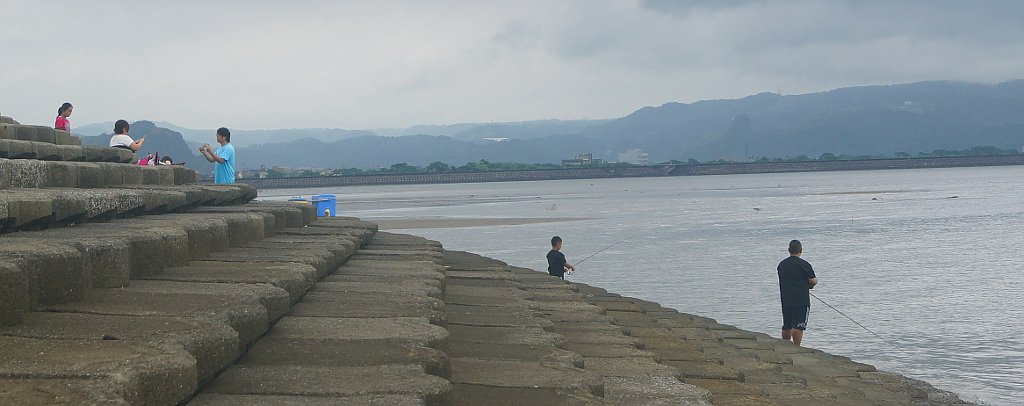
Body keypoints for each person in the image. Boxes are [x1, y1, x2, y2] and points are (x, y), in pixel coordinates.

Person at [777, 239, 818, 346]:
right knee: (798, 326)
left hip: (786, 298)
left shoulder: (782, 265)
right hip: (801, 300)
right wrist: (810, 286)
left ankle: (785, 345)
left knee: (787, 325)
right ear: (801, 250)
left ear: (789, 250)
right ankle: (796, 347)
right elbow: (813, 280)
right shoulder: (804, 265)